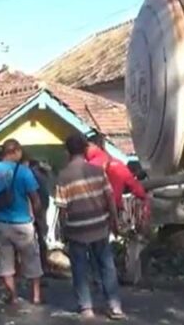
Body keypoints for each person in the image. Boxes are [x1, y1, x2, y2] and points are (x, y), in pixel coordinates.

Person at [55, 134, 125, 320]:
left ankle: (86, 308)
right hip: (99, 225)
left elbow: (62, 209)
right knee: (106, 266)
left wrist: (63, 230)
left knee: (79, 267)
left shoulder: (64, 176)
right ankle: (114, 306)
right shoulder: (97, 171)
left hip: (76, 228)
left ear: (67, 152)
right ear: (85, 149)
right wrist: (114, 221)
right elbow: (109, 198)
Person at [0, 139, 45, 305]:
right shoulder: (24, 172)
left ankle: (13, 296)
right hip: (22, 223)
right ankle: (36, 297)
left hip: (1, 224)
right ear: (14, 151)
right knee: (32, 260)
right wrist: (37, 219)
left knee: (5, 263)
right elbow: (35, 199)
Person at [21, 154, 51, 276]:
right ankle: (43, 265)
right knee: (41, 238)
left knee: (29, 239)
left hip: (34, 208)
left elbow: (30, 194)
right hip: (42, 207)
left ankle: (31, 267)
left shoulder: (29, 174)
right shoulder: (41, 174)